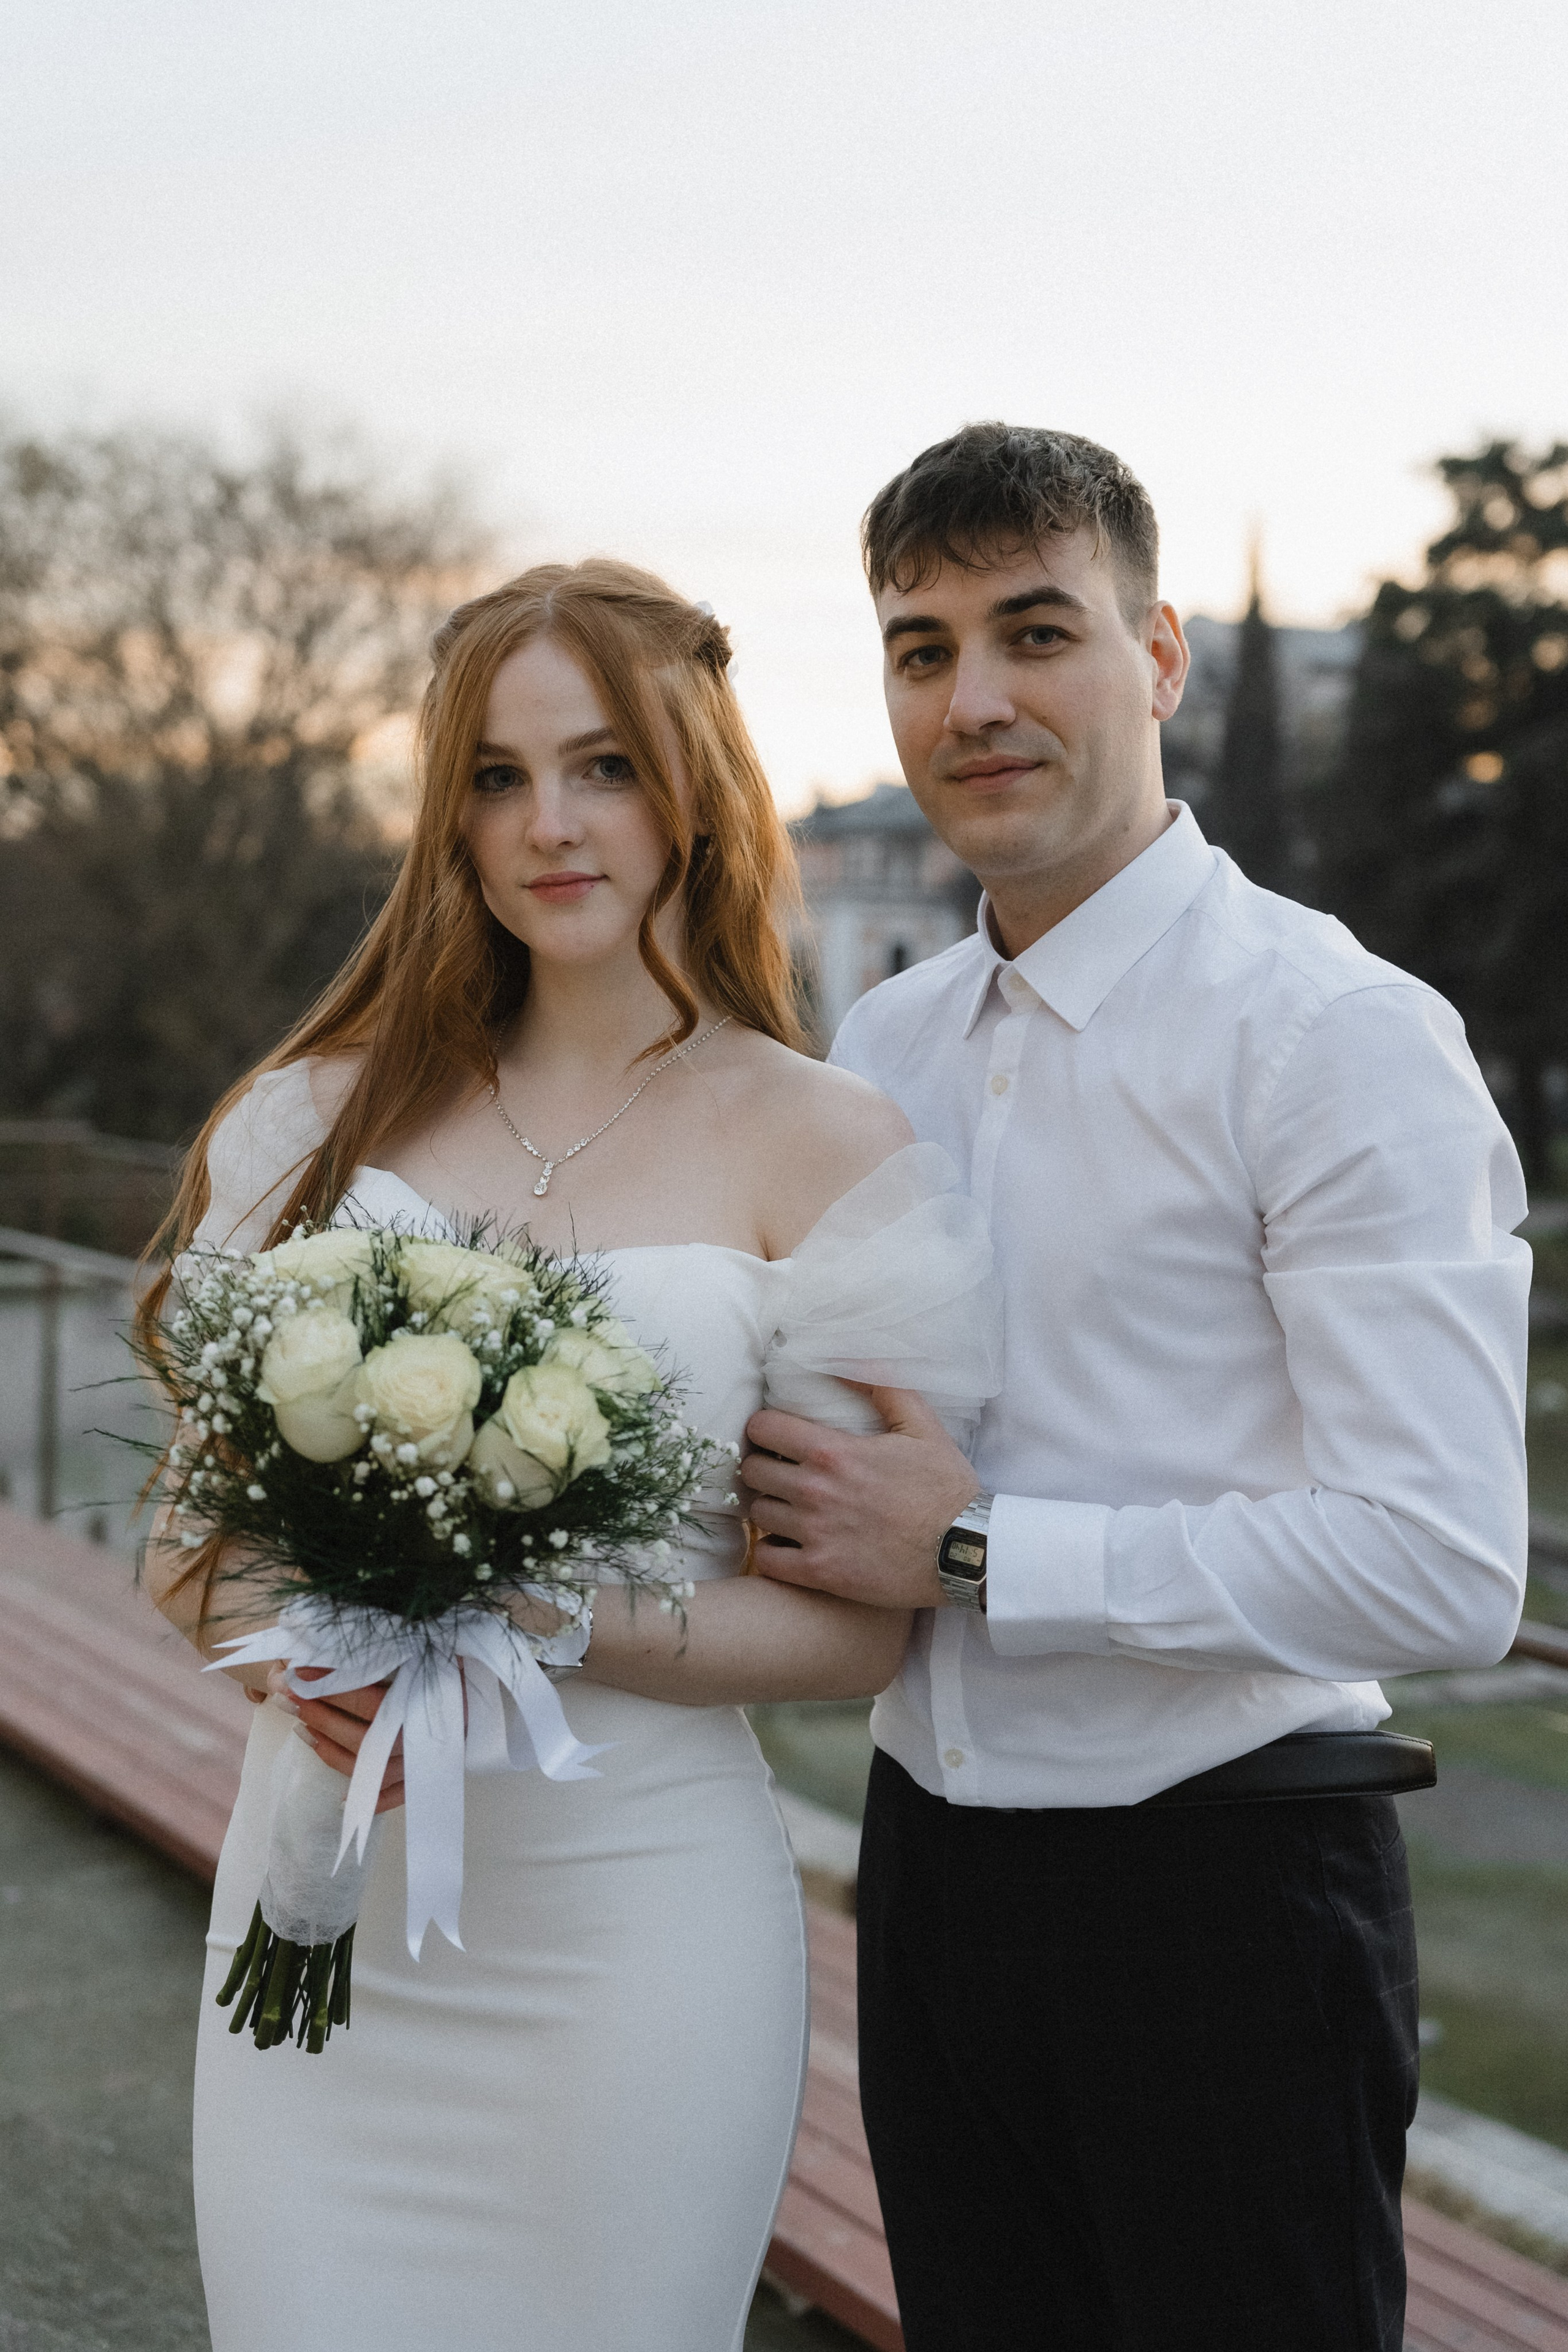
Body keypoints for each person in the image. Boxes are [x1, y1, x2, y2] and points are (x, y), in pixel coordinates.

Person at [141, 557, 1000, 2352]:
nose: (554, 824)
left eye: (604, 766)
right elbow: (182, 1550)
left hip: (637, 1957)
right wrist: (309, 1659)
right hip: (326, 1936)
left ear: (694, 782)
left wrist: (530, 1616)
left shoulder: (822, 1141)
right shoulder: (322, 1116)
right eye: (500, 775)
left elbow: (857, 1635)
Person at [739, 424, 1531, 2352]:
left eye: (1036, 633)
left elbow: (1442, 1568)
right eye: (922, 651)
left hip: (1227, 1908)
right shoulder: (884, 1041)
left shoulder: (1335, 1037)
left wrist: (988, 1550)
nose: (975, 699)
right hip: (934, 1891)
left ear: (1161, 656)